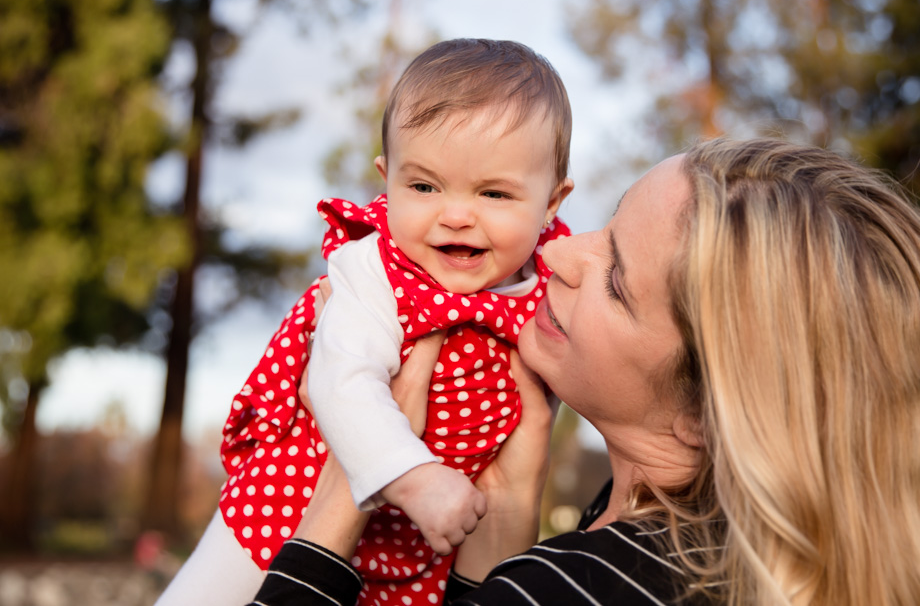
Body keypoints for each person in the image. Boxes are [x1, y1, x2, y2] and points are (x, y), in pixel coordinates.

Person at [247, 137, 920, 605]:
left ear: (701, 417)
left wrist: (338, 501)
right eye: (605, 227)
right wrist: (508, 514)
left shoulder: (577, 589)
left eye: (618, 280)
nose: (562, 258)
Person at [155, 38, 573, 606]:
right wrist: (417, 478)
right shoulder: (377, 268)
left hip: (424, 539)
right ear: (387, 178)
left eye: (494, 193)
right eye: (423, 186)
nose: (454, 215)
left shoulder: (550, 287)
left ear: (552, 203)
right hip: (293, 503)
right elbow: (340, 382)